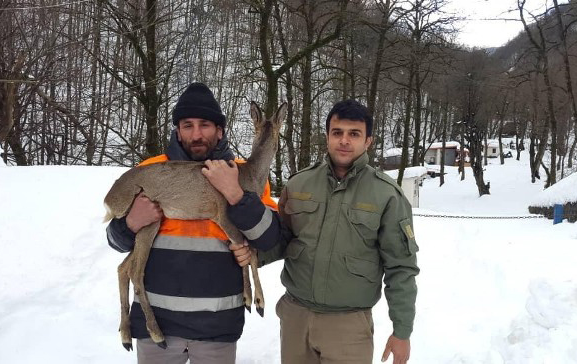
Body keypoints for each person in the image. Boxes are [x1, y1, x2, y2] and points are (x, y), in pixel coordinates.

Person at [204, 99, 419, 364]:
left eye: (354, 134)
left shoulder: (387, 195)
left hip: (348, 327)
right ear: (327, 136)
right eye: (337, 132)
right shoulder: (299, 183)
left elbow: (401, 268)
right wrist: (254, 254)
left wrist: (402, 331)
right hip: (296, 318)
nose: (344, 141)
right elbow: (281, 239)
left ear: (368, 142)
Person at [106, 82, 281, 364]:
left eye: (205, 125)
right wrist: (129, 224)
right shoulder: (150, 170)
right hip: (157, 328)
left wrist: (236, 195)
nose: (196, 134)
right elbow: (116, 240)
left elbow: (270, 238)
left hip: (217, 328)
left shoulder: (245, 174)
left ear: (220, 130)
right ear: (178, 130)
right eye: (188, 125)